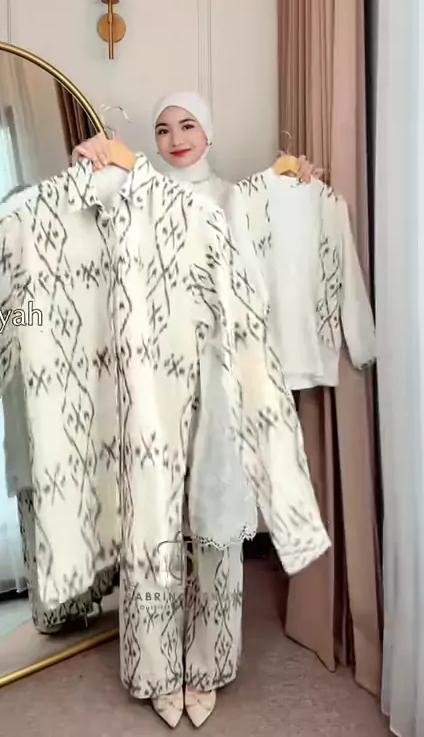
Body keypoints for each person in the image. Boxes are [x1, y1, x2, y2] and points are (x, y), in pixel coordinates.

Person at [71, 92, 324, 728]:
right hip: (151, 384)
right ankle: (156, 670)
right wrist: (94, 158)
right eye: (163, 129)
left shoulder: (236, 198)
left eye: (188, 125)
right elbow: (84, 225)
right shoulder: (133, 192)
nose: (176, 137)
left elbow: (265, 273)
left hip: (219, 382)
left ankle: (207, 666)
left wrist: (298, 182)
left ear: (208, 132)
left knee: (215, 523)